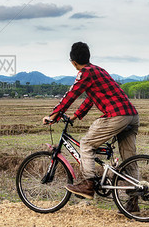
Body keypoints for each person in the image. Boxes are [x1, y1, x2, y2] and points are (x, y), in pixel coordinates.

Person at [43, 42, 140, 207]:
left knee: (86, 143)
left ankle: (88, 185)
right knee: (128, 159)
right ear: (88, 56)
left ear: (73, 62)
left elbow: (72, 94)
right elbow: (90, 98)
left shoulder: (85, 72)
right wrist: (75, 116)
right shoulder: (99, 70)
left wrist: (54, 114)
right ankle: (134, 202)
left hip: (117, 115)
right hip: (132, 115)